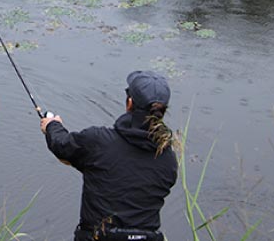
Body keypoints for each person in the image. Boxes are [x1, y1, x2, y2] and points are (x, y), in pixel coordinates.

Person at [41, 70, 178, 241]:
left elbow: (62, 146)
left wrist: (51, 125)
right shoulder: (168, 161)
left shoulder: (98, 142)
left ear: (129, 103)